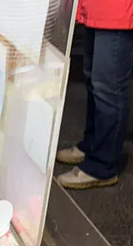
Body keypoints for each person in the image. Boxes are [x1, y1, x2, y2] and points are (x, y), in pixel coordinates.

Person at [56, 1, 133, 190]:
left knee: (109, 89)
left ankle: (102, 165)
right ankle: (91, 146)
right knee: (94, 80)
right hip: (96, 9)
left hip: (117, 13)